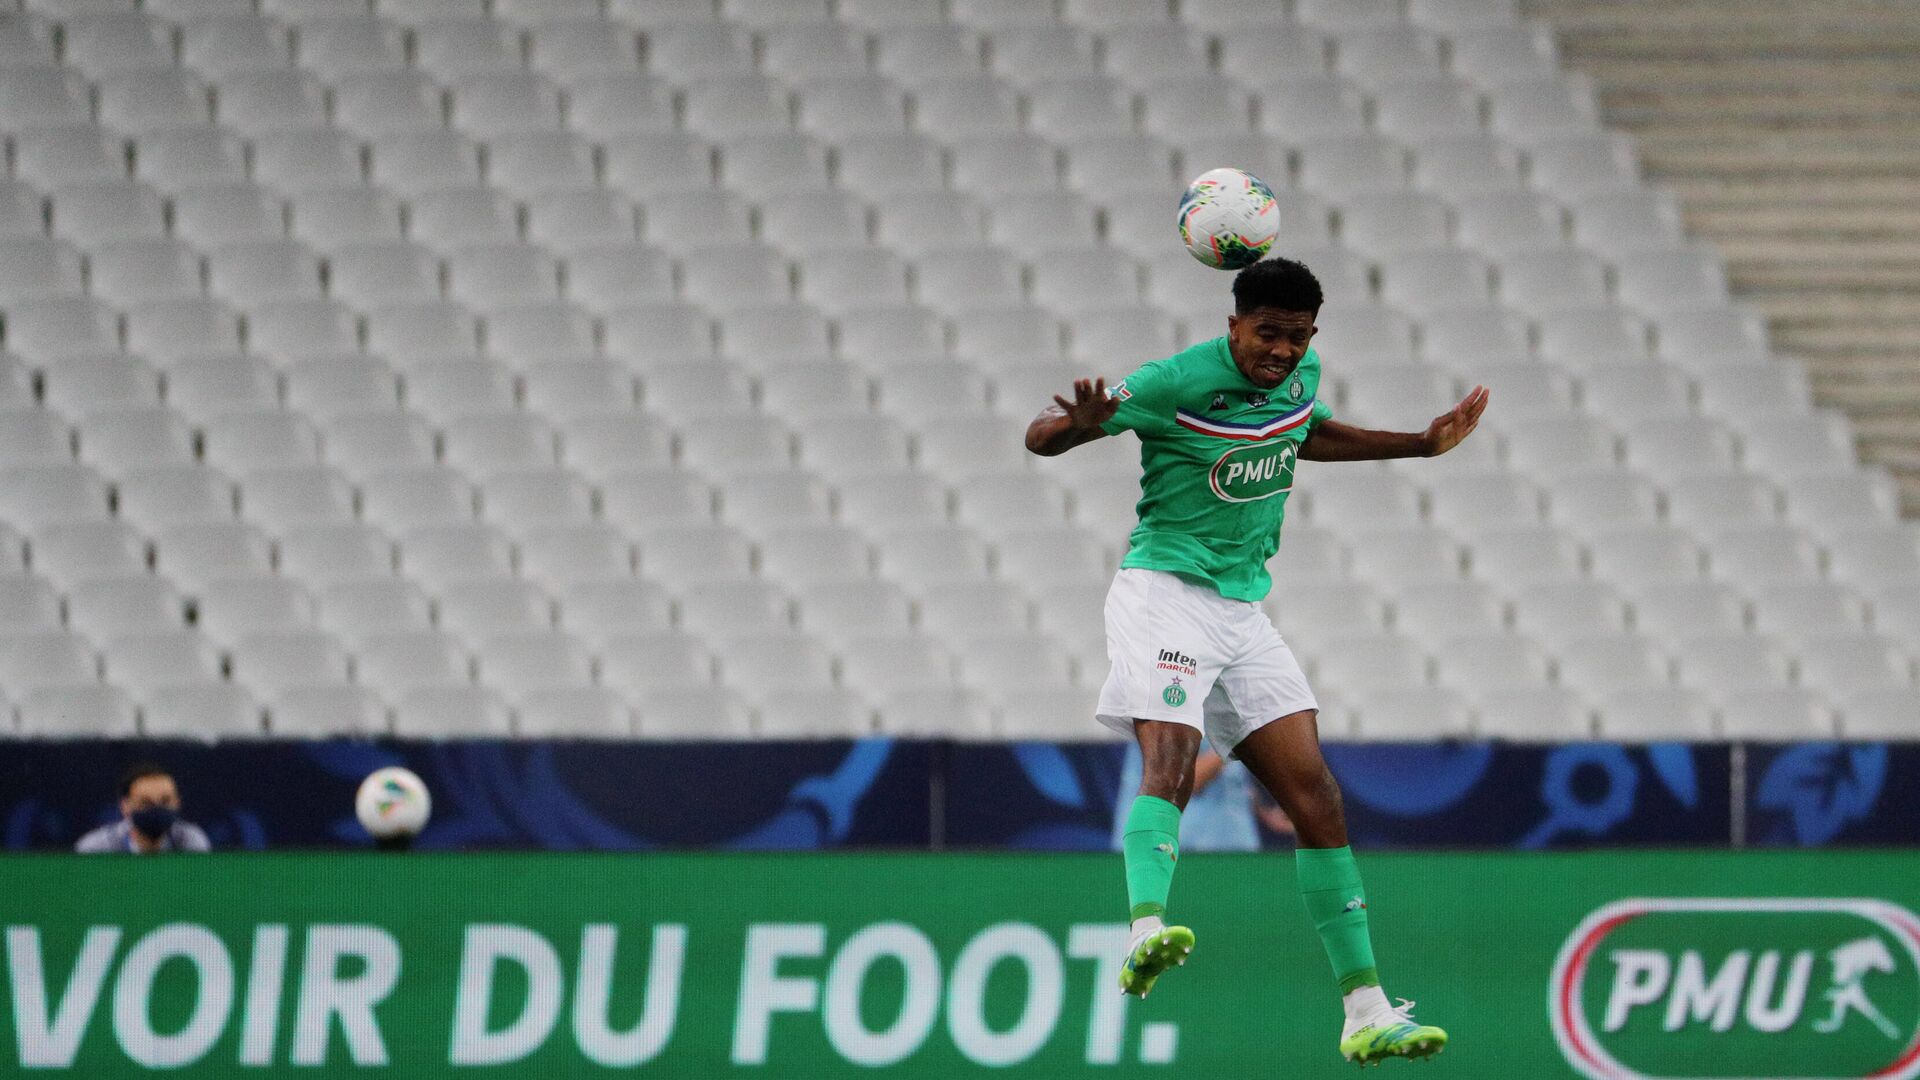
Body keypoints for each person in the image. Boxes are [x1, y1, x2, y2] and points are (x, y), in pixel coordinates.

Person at [1024, 258, 1486, 1066]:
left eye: (1296, 337)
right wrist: (1080, 423)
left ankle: (1365, 1009)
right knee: (1170, 755)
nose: (1280, 351)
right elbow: (1040, 439)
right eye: (1266, 334)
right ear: (1233, 324)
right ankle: (1141, 931)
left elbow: (1305, 433)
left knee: (1318, 798)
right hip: (1164, 590)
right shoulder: (1172, 382)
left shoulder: (1299, 374)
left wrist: (1420, 444)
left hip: (1242, 611)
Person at [1111, 742, 1261, 853]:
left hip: (1233, 849)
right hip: (1169, 851)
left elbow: (1233, 783)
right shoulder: (1167, 708)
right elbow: (1181, 783)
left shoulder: (1227, 712)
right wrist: (1234, 740)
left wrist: (1265, 809)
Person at [75, 762, 212, 854]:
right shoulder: (96, 848)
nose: (157, 809)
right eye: (146, 803)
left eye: (165, 801)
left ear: (177, 802)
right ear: (125, 806)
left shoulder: (191, 842)